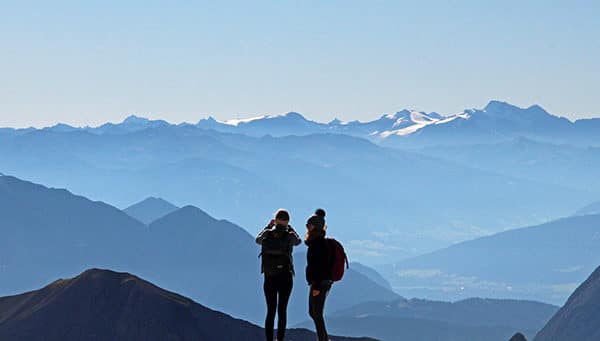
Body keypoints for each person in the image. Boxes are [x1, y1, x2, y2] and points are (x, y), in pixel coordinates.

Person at [256, 209, 301, 341]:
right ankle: (280, 339)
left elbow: (257, 240)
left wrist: (268, 226)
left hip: (269, 278)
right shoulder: (289, 236)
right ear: (287, 222)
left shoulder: (267, 234)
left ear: (275, 220)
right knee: (282, 310)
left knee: (270, 311)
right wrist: (290, 228)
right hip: (285, 277)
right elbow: (298, 241)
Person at [305, 208, 333, 341]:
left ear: (315, 227)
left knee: (316, 313)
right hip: (321, 282)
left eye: (309, 225)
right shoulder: (317, 242)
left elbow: (319, 266)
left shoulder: (318, 244)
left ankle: (323, 339)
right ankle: (324, 338)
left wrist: (316, 286)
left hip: (319, 283)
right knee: (314, 312)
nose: (307, 227)